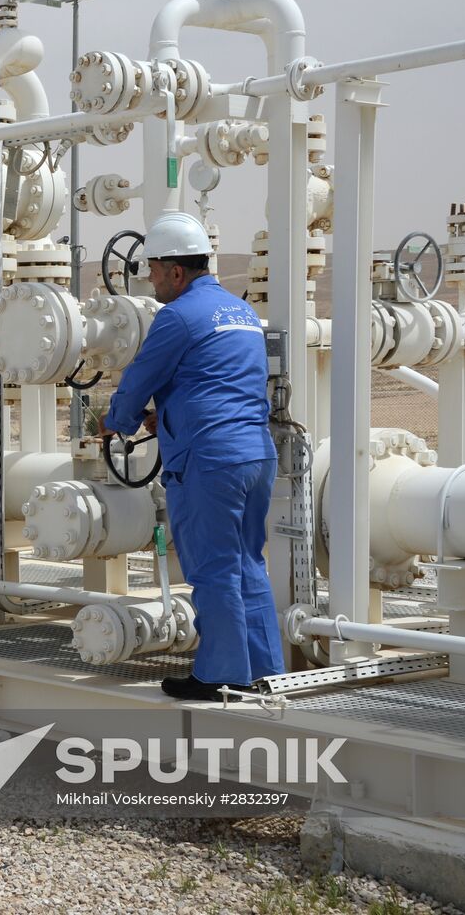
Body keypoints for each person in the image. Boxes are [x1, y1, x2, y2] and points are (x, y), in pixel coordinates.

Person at [99, 212, 285, 701]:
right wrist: (168, 415)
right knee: (247, 562)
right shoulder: (241, 312)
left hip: (210, 461)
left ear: (176, 272)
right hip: (254, 454)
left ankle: (222, 674)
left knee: (213, 567)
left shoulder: (177, 317)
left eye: (154, 271)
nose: (152, 280)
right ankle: (265, 671)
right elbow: (215, 381)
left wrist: (116, 421)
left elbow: (139, 379)